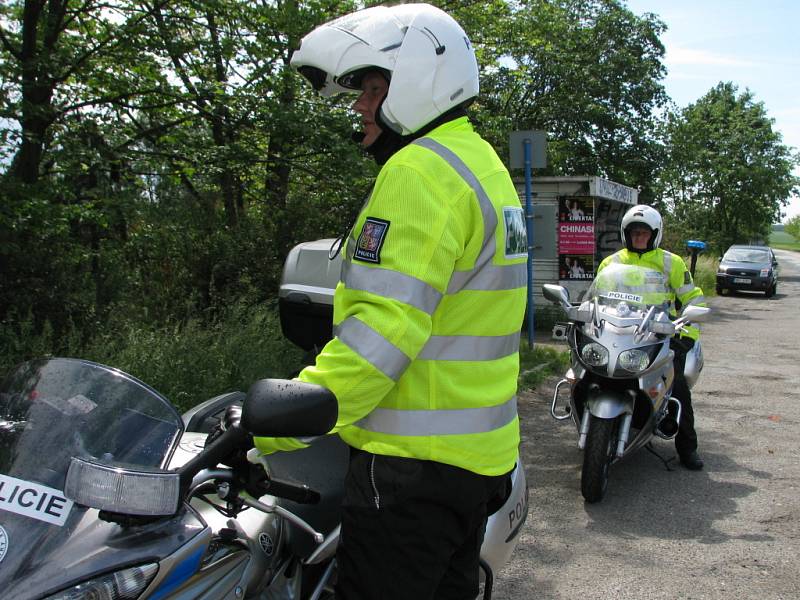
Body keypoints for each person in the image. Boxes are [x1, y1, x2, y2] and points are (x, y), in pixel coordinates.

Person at [254, 4, 528, 599]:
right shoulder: (485, 167)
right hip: (479, 461)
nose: (359, 106)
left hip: (409, 473)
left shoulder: (418, 172)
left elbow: (380, 338)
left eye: (372, 88)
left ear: (418, 83)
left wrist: (270, 431)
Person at [597, 204, 706, 470]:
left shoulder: (672, 262)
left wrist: (686, 337)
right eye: (634, 232)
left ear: (655, 234)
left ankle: (687, 449)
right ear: (625, 233)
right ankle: (596, 431)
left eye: (644, 233)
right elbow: (596, 299)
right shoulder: (611, 263)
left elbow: (693, 299)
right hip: (619, 333)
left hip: (658, 335)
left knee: (677, 386)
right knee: (593, 373)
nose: (639, 237)